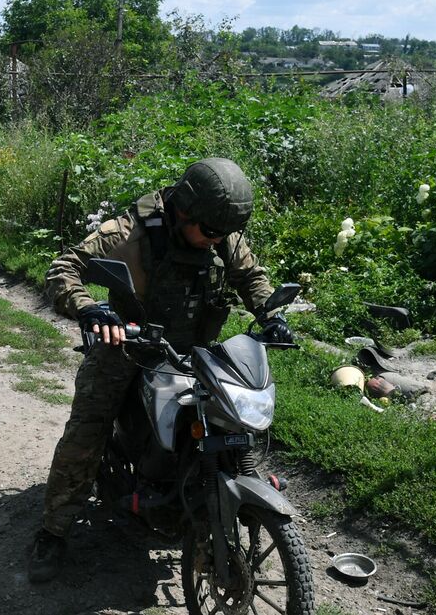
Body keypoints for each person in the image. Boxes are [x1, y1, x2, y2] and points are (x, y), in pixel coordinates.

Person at [28, 157, 293, 583]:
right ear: (182, 210)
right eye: (208, 232)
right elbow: (65, 267)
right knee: (87, 432)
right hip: (128, 349)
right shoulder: (131, 230)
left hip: (195, 352)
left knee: (230, 418)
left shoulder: (217, 230)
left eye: (223, 234)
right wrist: (90, 308)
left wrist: (268, 313)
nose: (216, 241)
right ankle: (53, 530)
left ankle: (215, 493)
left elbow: (250, 275)